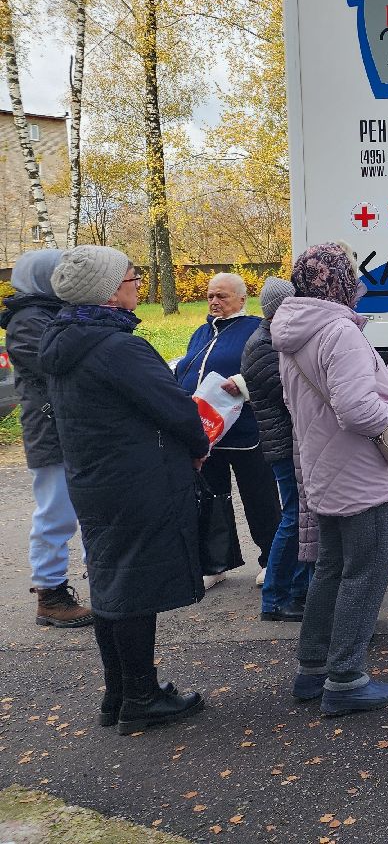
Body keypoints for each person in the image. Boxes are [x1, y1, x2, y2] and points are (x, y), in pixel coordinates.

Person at [37, 245, 208, 734]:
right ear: (110, 291)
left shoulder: (65, 340)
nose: (138, 284)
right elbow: (175, 406)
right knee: (135, 586)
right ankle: (140, 696)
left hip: (95, 478)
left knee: (112, 581)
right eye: (133, 278)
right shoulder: (118, 347)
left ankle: (118, 692)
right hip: (138, 479)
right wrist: (197, 445)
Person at [272, 242, 388, 717]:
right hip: (359, 470)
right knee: (365, 571)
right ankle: (345, 678)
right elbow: (357, 409)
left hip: (323, 466)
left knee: (332, 568)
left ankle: (314, 667)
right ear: (339, 283)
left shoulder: (292, 330)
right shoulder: (338, 331)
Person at [1, 249, 92, 628]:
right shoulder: (27, 320)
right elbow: (59, 364)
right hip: (49, 430)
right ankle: (50, 596)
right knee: (56, 513)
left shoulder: (49, 312)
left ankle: (98, 584)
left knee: (84, 508)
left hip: (65, 426)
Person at [174, 273, 279, 589]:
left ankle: (272, 559)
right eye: (210, 296)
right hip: (206, 436)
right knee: (212, 499)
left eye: (222, 296)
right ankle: (216, 562)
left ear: (241, 299)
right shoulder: (201, 332)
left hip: (246, 432)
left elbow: (272, 366)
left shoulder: (255, 329)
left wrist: (244, 384)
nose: (215, 302)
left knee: (260, 498)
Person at [241, 277, 312, 622]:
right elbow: (289, 394)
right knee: (295, 517)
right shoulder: (264, 344)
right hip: (284, 443)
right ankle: (275, 597)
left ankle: (297, 591)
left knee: (301, 517)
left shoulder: (272, 339)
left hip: (288, 440)